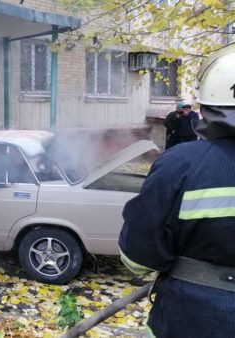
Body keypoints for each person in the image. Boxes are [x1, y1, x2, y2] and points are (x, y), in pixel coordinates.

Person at [119, 44, 235, 337]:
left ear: (205, 107)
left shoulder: (181, 165)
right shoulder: (177, 128)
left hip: (194, 319)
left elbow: (139, 256)